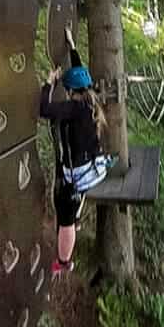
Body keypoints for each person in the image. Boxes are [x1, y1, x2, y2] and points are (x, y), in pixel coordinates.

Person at [40, 30, 112, 277]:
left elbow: (44, 109)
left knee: (65, 217)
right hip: (96, 168)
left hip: (81, 174)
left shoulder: (72, 108)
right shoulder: (92, 101)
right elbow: (81, 72)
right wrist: (72, 47)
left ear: (70, 91)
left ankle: (63, 261)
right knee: (72, 191)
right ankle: (76, 219)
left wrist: (49, 83)